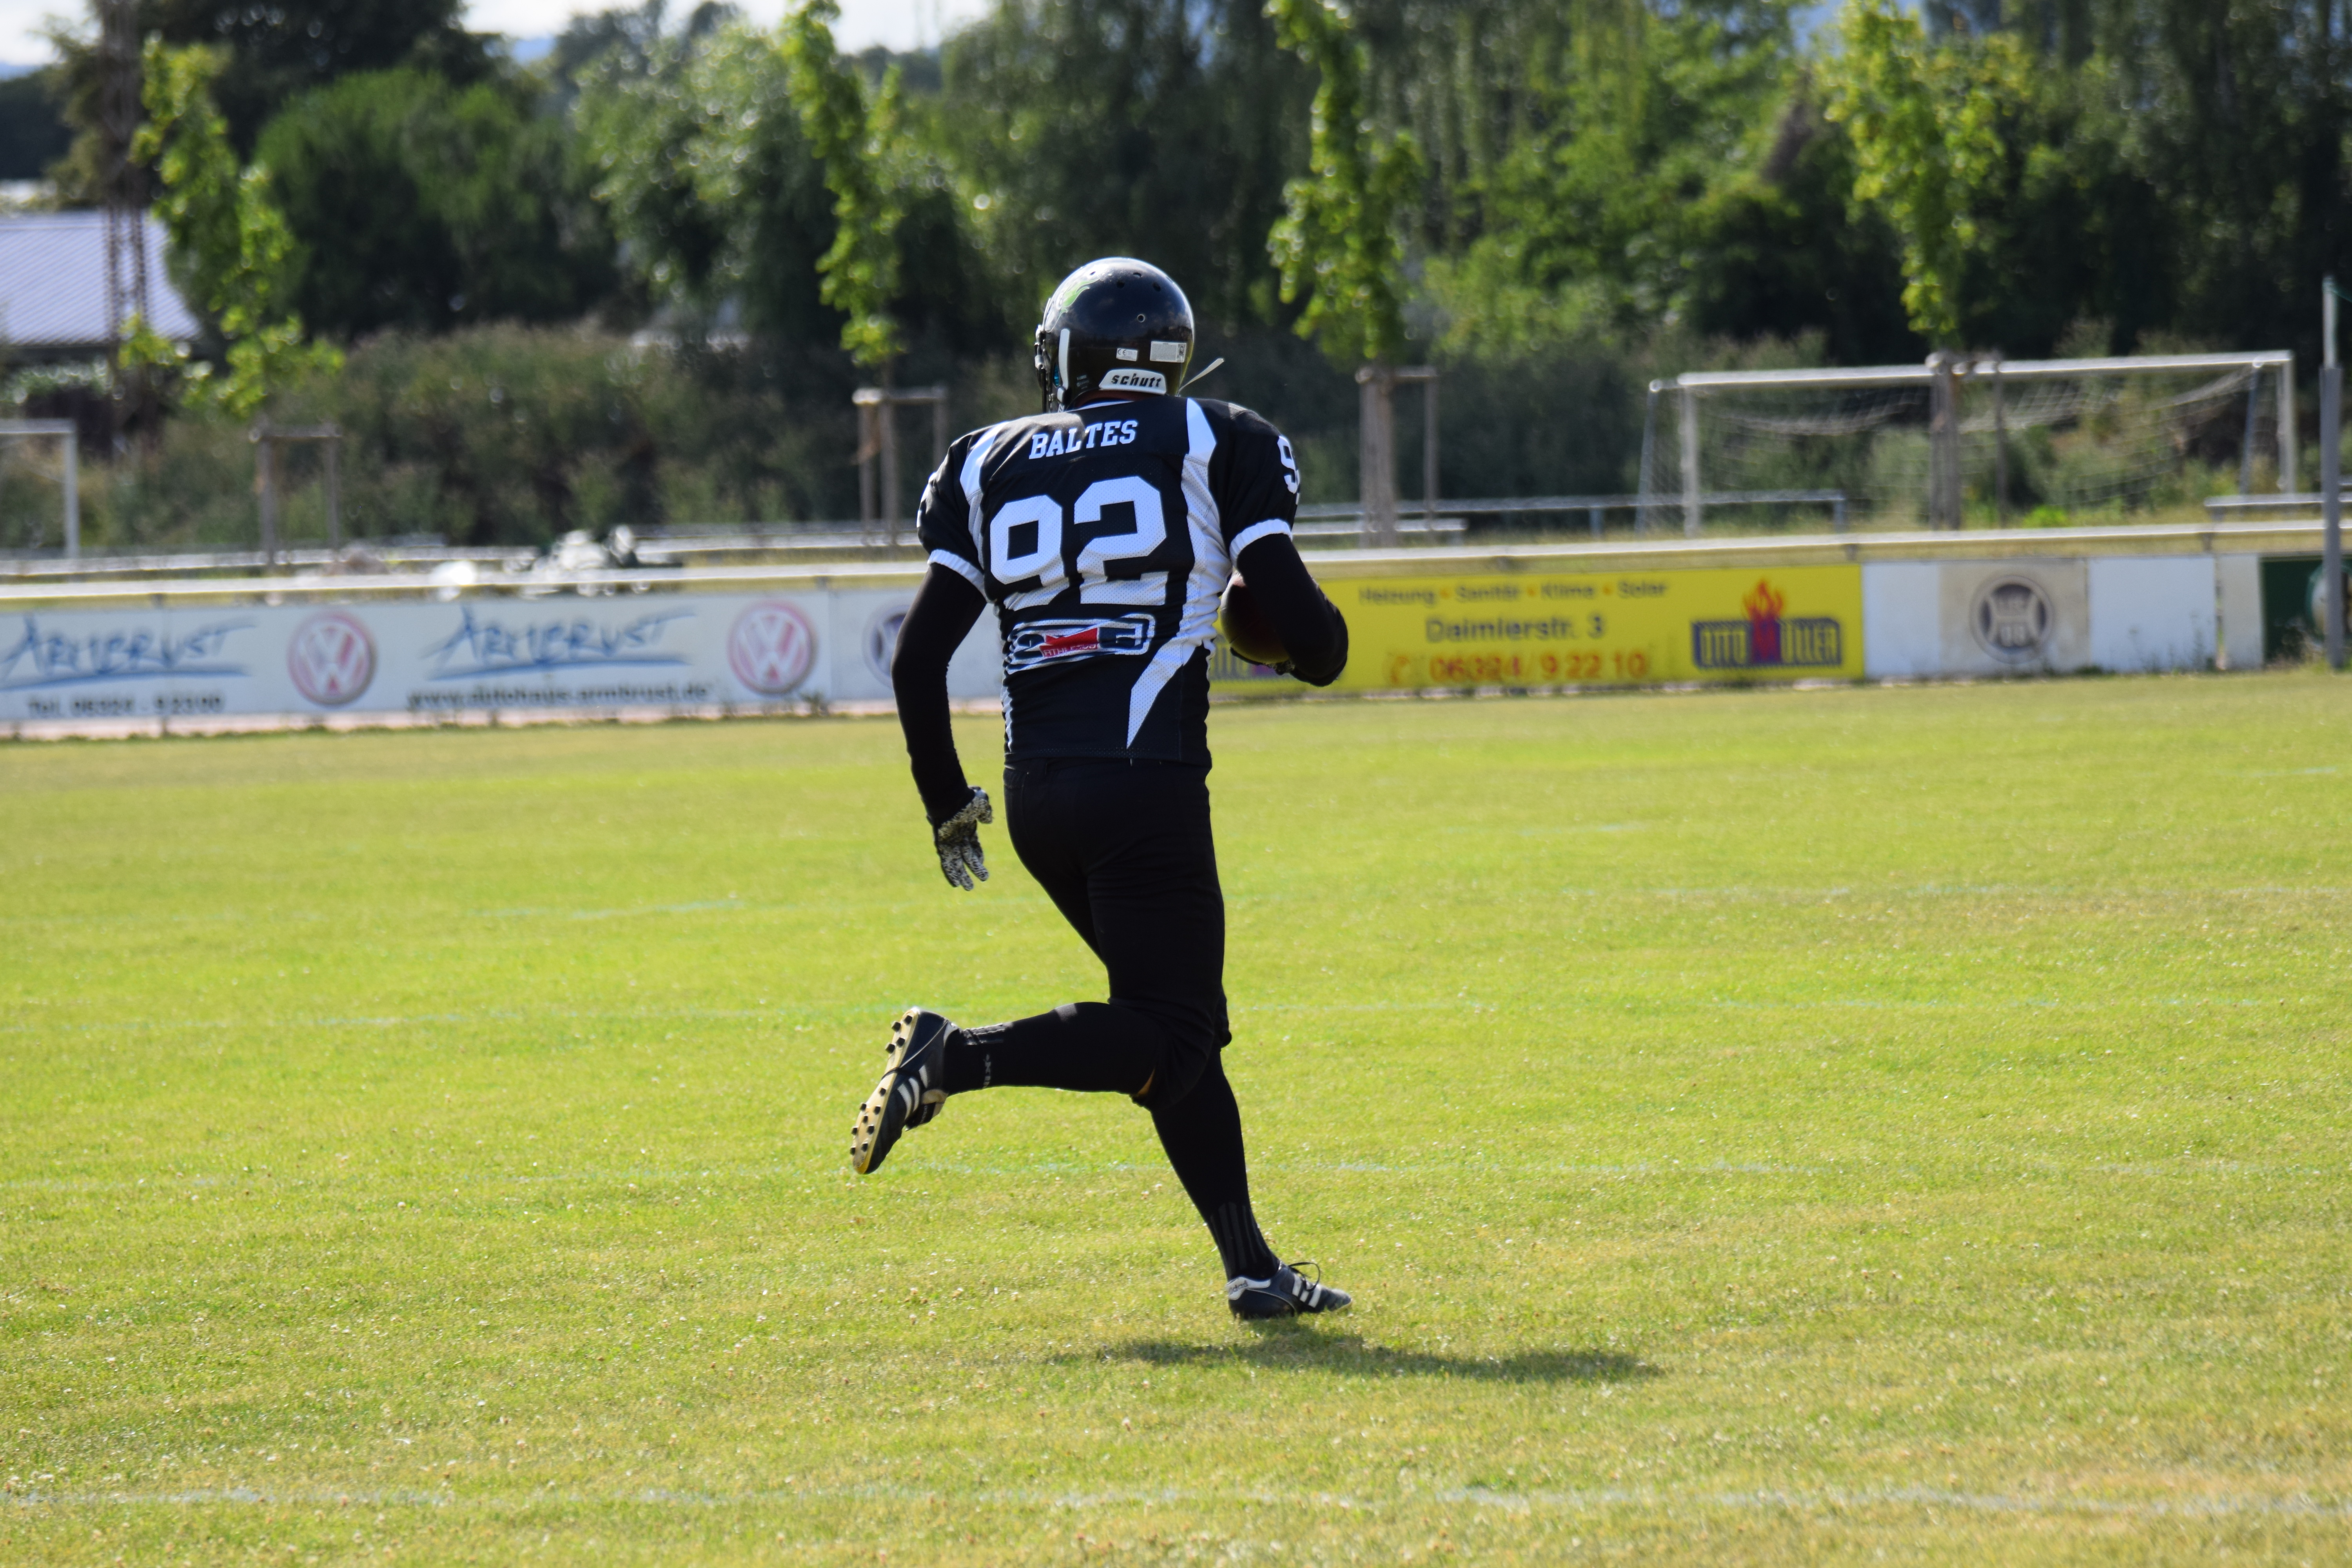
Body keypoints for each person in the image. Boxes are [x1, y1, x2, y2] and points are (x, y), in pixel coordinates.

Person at [851, 256, 1354, 1319]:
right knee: (1174, 1031)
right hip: (1148, 782)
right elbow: (1313, 643)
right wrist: (1285, 637)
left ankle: (1253, 1267)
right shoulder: (1219, 438)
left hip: (1035, 797)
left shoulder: (985, 459)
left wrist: (949, 805)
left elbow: (916, 662)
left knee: (1172, 1036)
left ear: (1071, 357)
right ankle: (958, 1057)